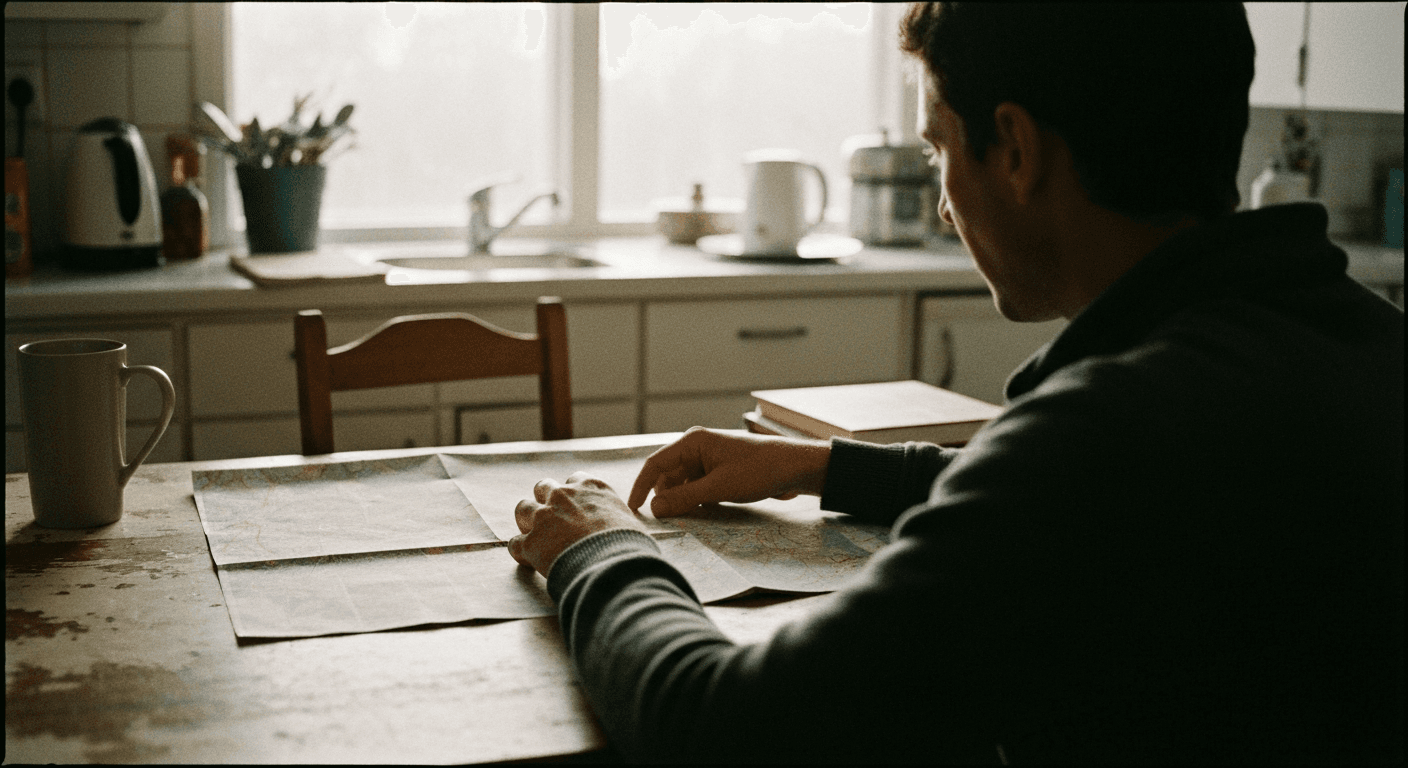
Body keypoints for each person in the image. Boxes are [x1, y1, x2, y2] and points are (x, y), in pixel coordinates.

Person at [508, 3, 1404, 762]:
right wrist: (819, 466)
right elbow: (1111, 504)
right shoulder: (1356, 343)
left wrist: (600, 547)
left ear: (1014, 148)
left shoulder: (1099, 435)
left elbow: (724, 725)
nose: (942, 200)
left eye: (939, 148)